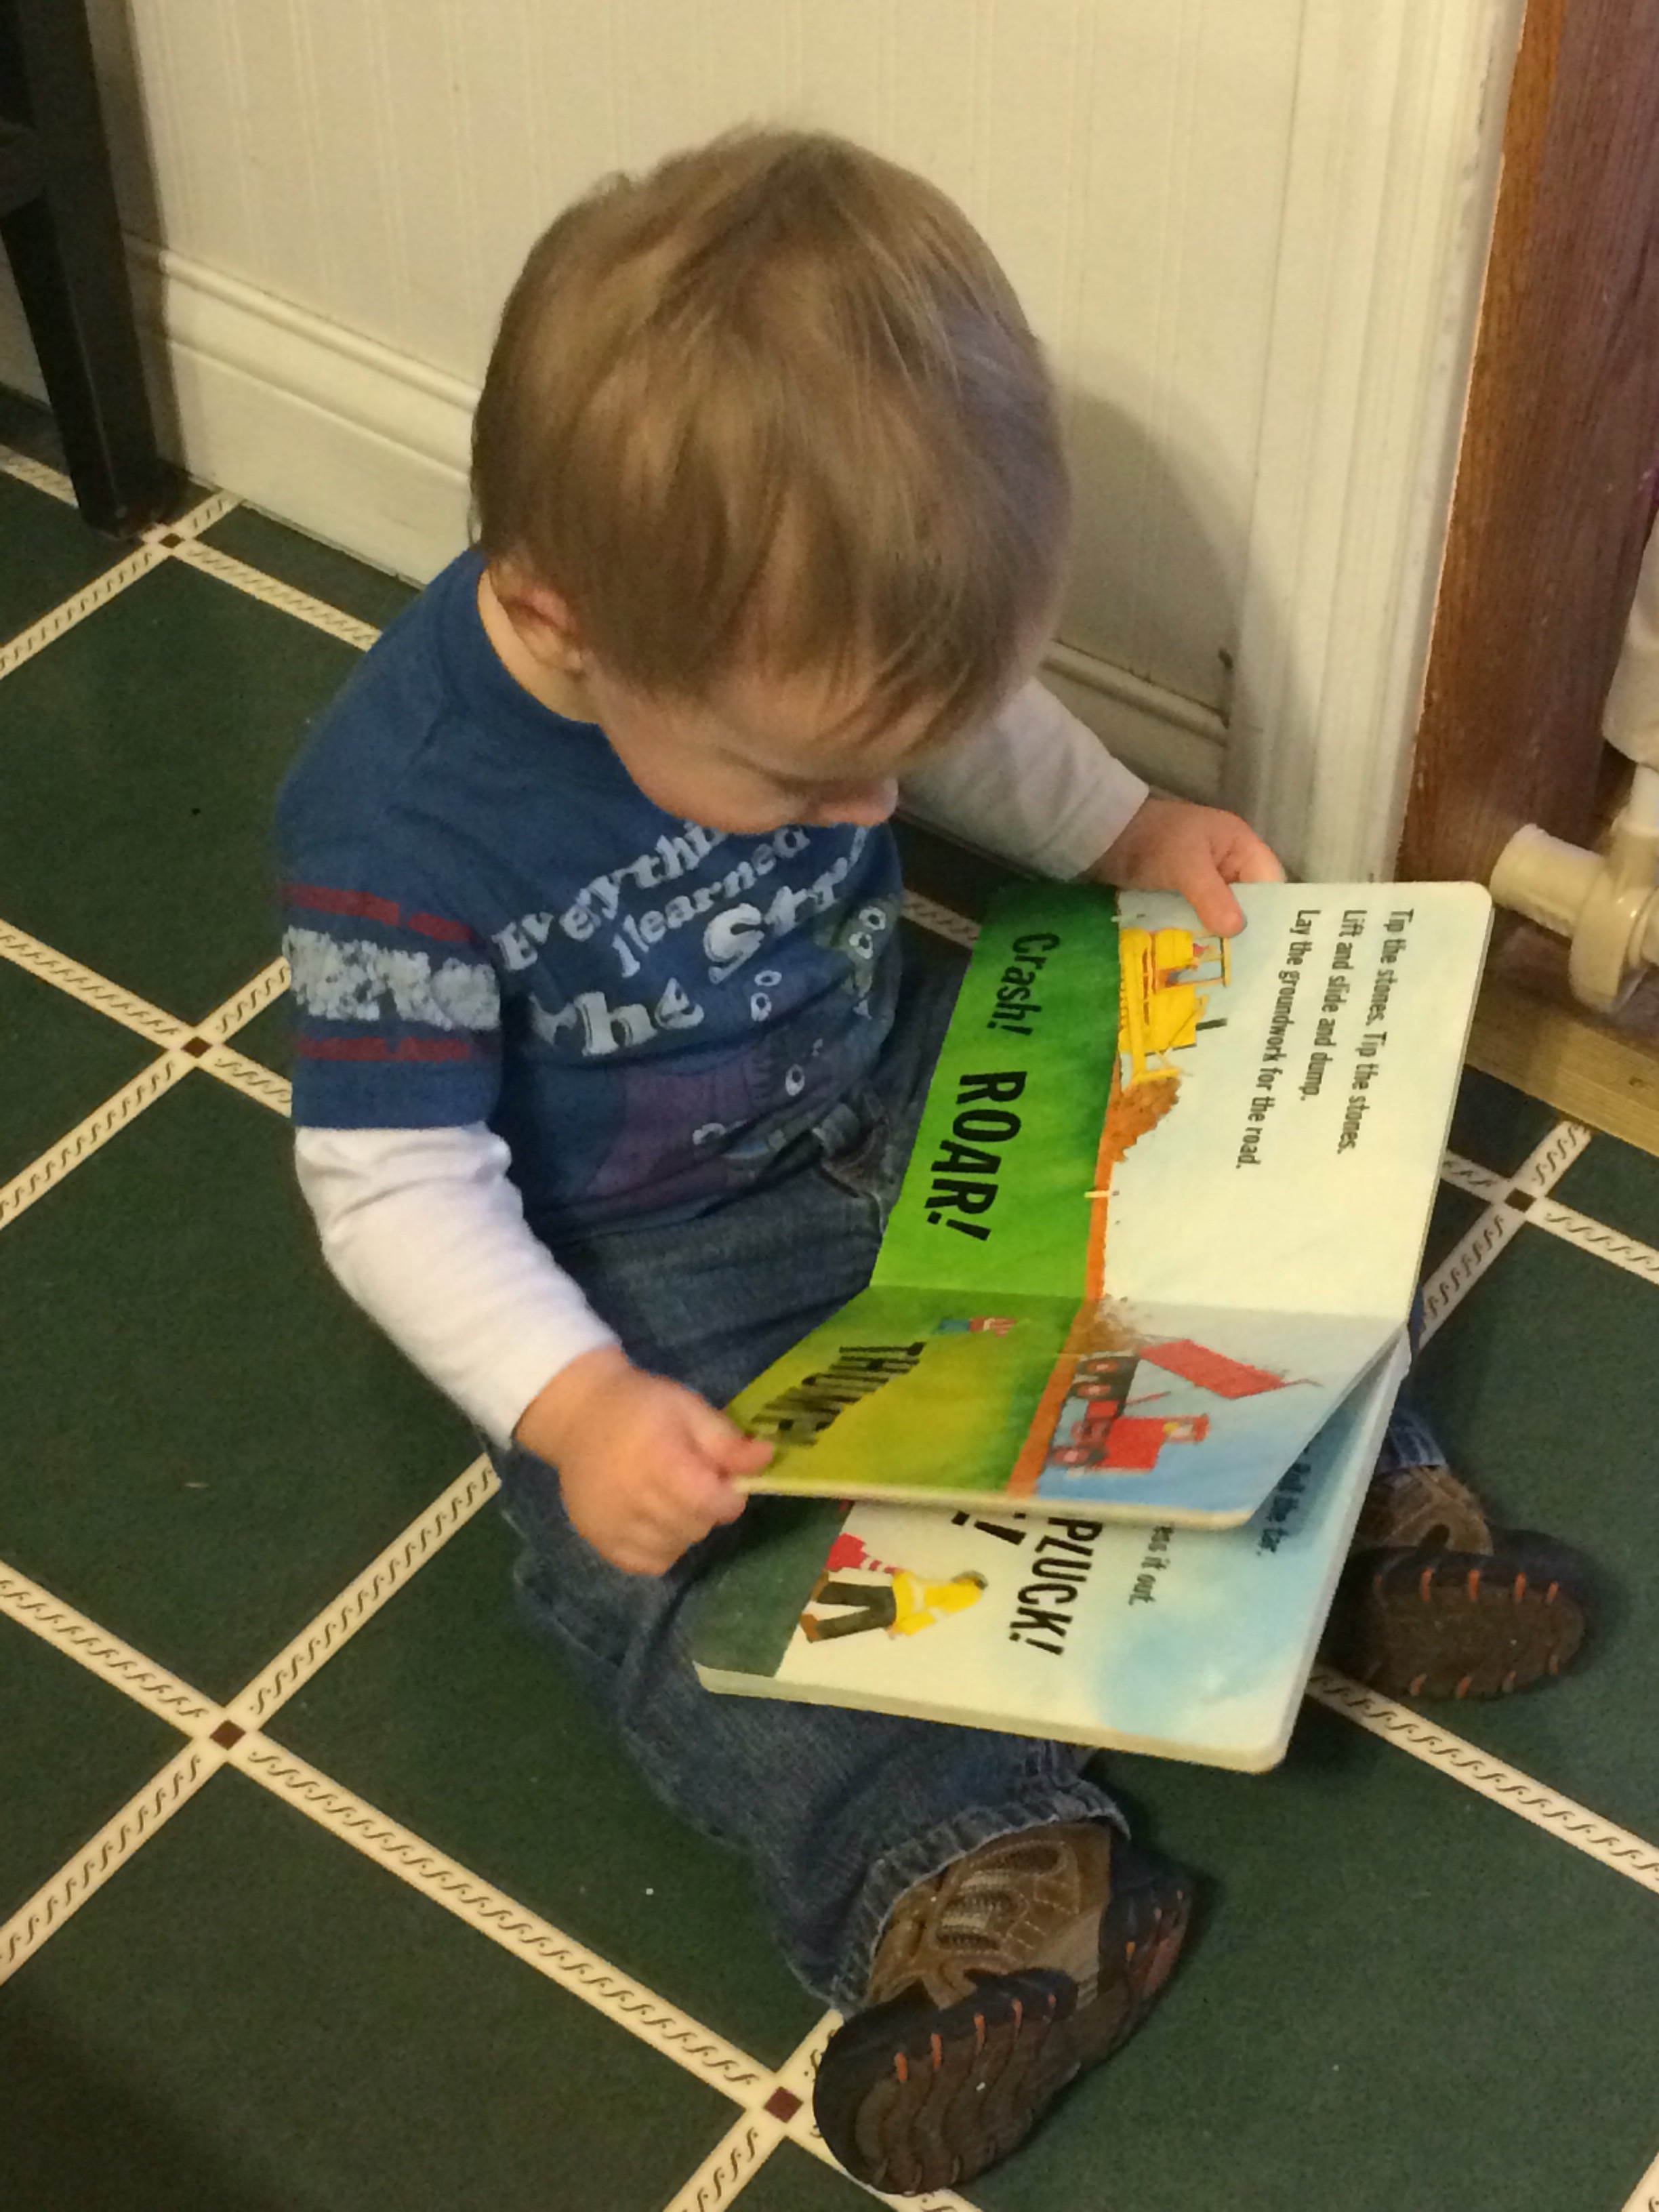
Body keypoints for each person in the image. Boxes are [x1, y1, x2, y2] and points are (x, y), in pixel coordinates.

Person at [274, 128, 1580, 2195]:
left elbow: (964, 728)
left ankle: (1352, 1526)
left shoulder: (782, 642)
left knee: (1178, 1222)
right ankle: (987, 1879)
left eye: (896, 753)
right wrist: (576, 1400)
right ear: (556, 616)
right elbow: (392, 1183)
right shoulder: (397, 828)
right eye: (812, 777)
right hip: (637, 1259)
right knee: (677, 1579)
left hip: (904, 1088)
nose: (877, 809)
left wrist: (1129, 826)